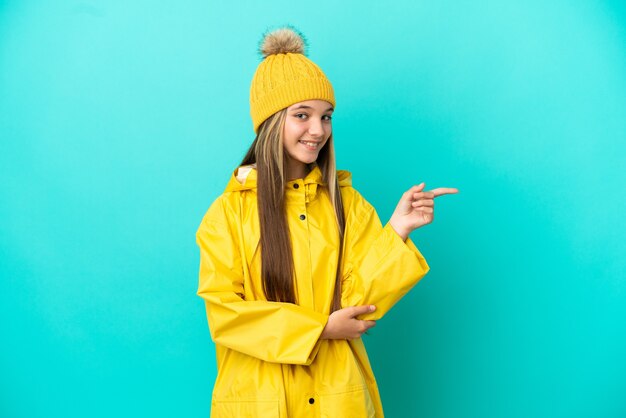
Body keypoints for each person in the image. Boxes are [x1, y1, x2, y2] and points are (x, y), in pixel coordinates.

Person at [196, 25, 458, 417]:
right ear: (270, 123)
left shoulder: (346, 204)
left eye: (326, 117)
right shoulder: (228, 214)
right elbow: (226, 316)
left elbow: (359, 304)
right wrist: (319, 329)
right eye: (302, 115)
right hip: (259, 403)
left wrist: (397, 232)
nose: (318, 131)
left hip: (339, 399)